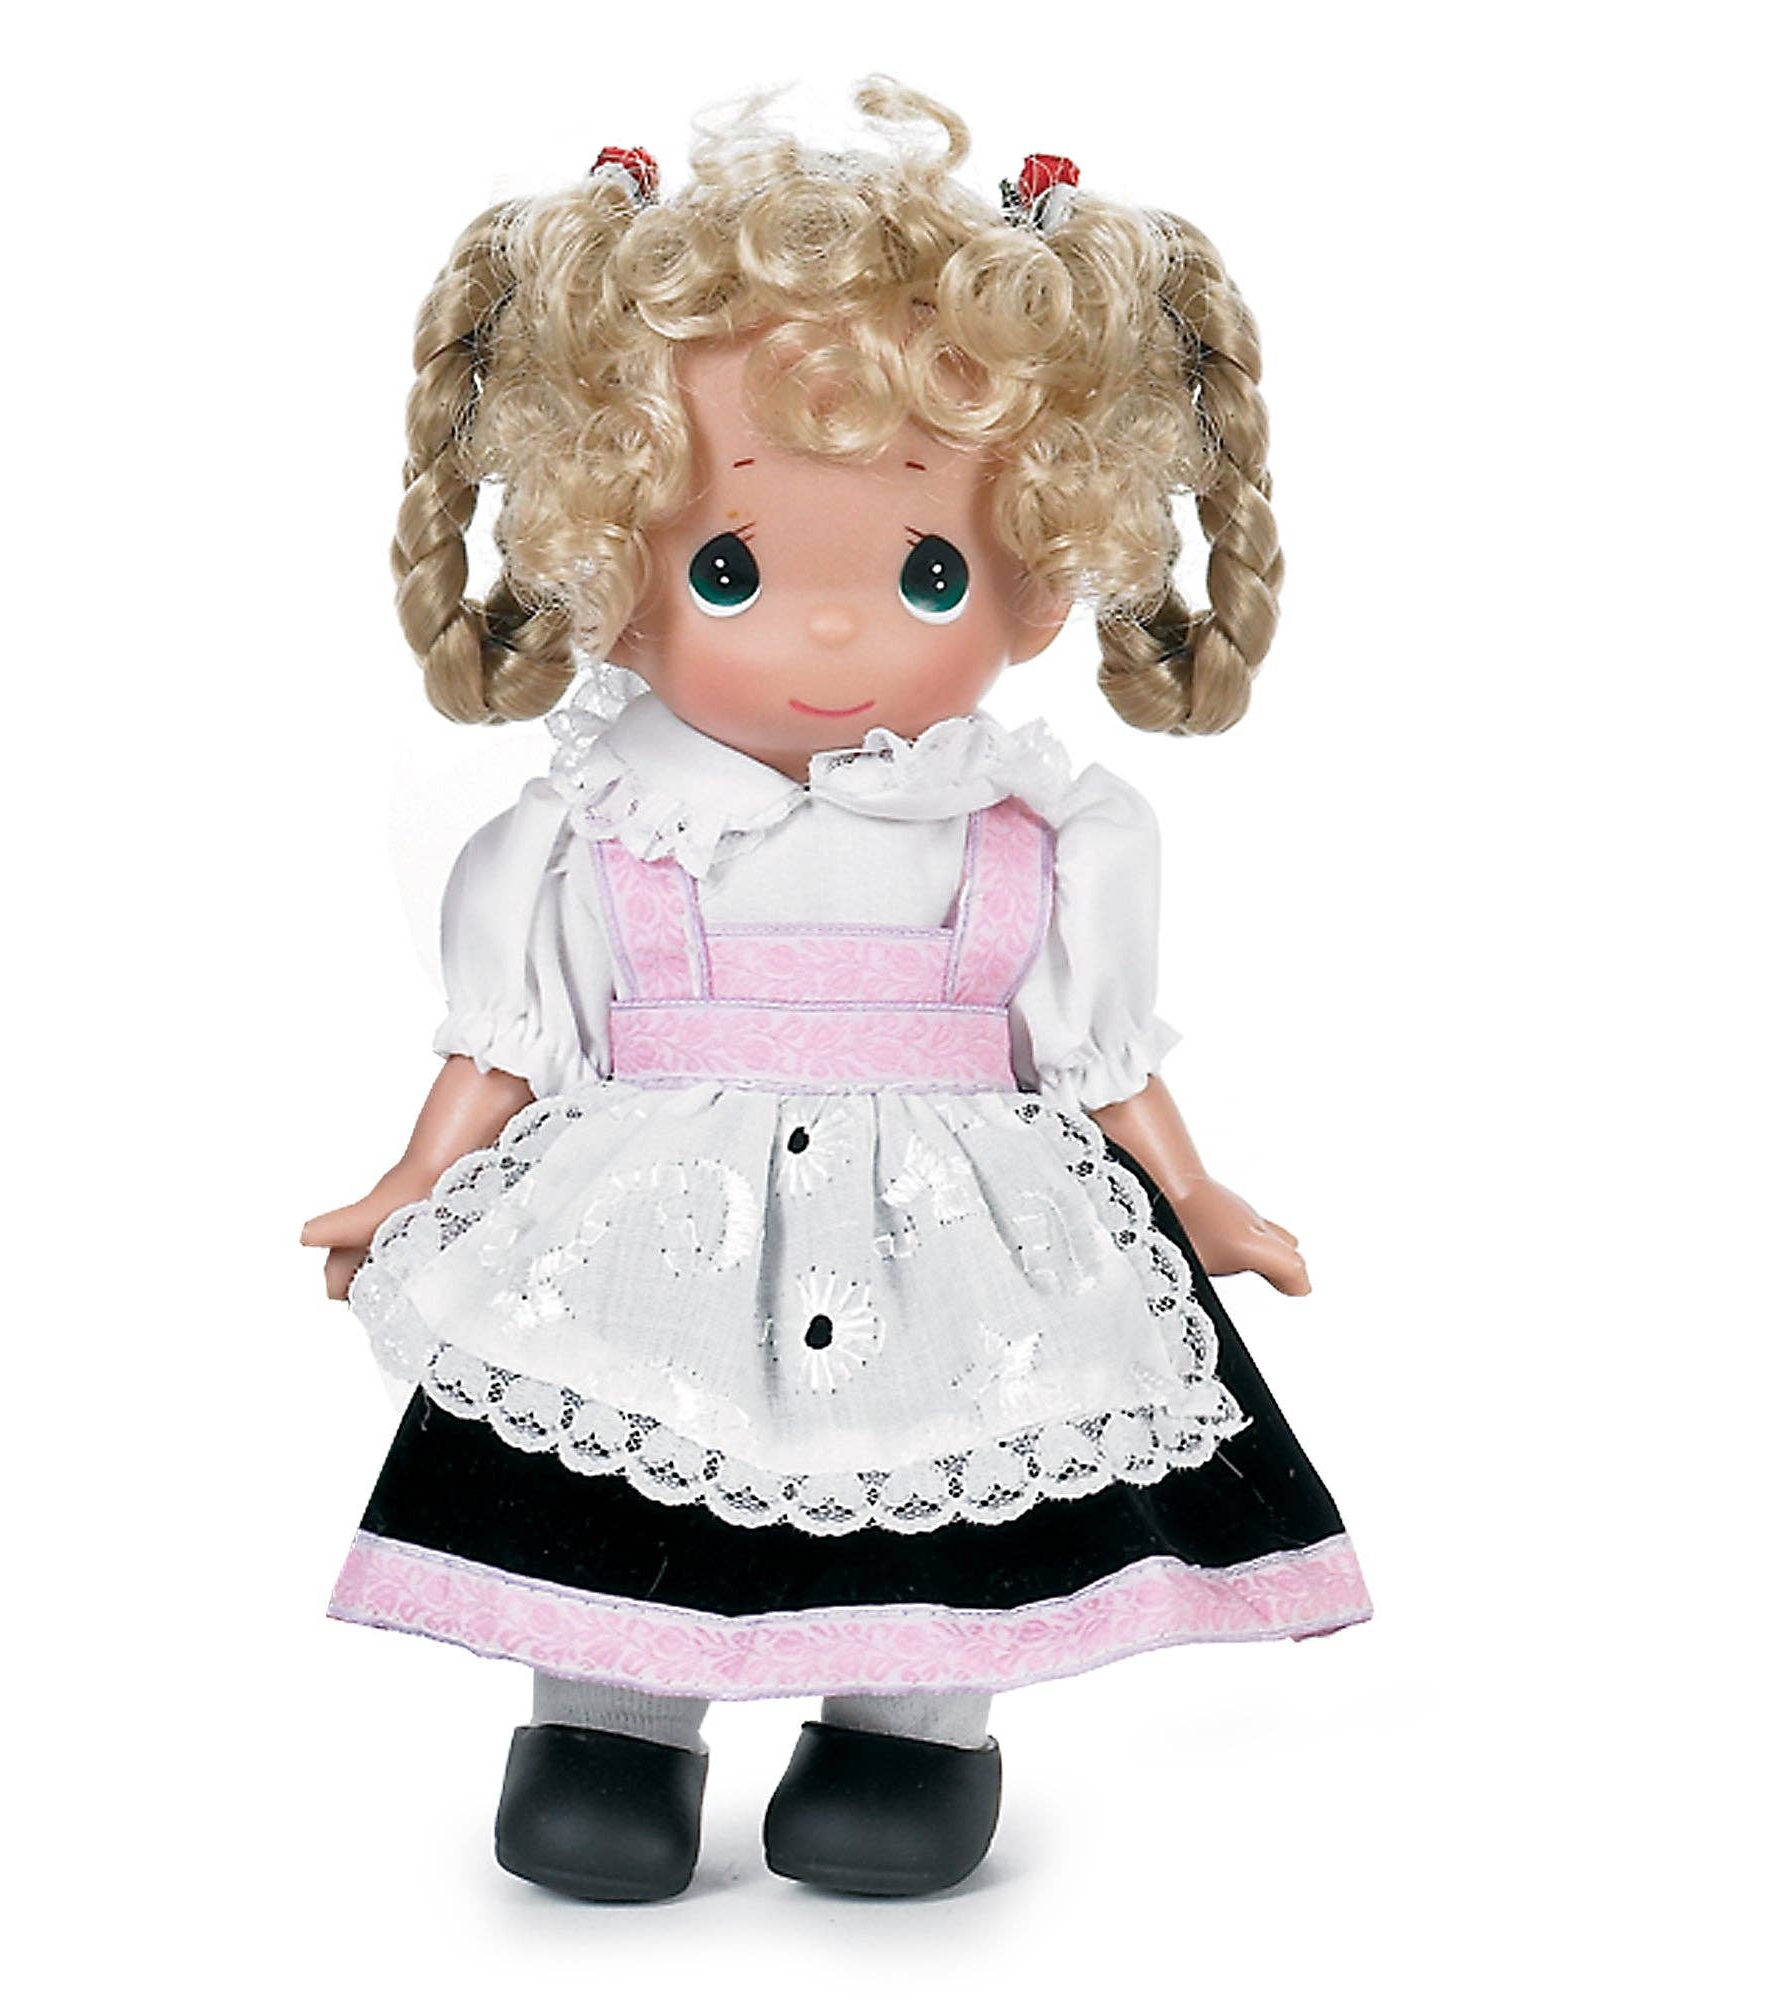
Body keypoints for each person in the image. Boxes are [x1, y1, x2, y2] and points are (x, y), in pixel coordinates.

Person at [305, 80, 1370, 1903]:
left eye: (924, 569)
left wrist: (1195, 1196)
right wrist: (417, 1177)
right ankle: (606, 1731)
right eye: (728, 569)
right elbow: (510, 1031)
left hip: (954, 1221)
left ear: (1038, 584)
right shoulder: (600, 823)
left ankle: (906, 1733)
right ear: (608, 573)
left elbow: (1092, 1049)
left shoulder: (1038, 835)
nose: (824, 629)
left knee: (954, 1441)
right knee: (631, 1450)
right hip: (654, 1214)